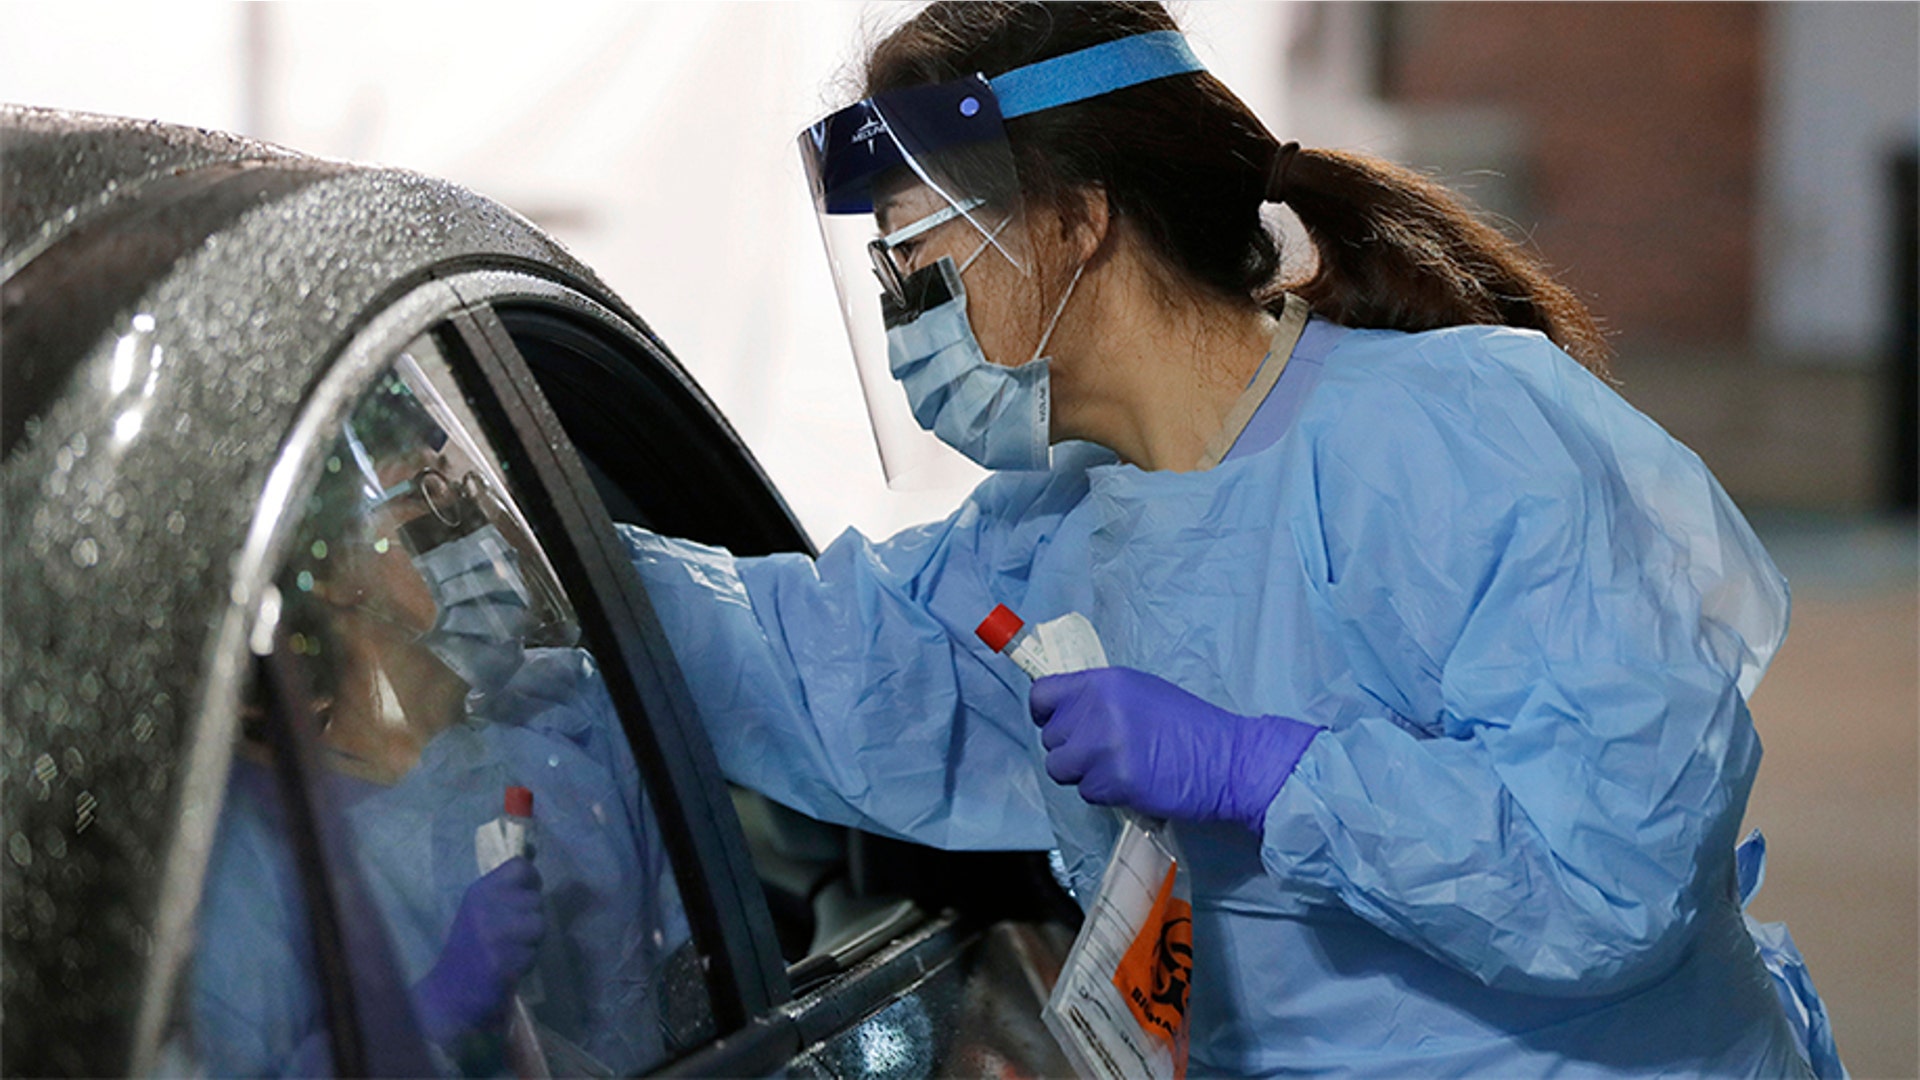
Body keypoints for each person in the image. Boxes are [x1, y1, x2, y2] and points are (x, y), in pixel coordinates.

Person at [626, 2, 1844, 1076]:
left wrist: (1268, 771)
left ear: (1073, 225)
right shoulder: (1052, 535)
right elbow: (812, 666)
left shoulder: (1459, 439)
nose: (906, 318)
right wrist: (491, 560)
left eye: (919, 254)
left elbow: (1614, 874)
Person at [193, 369, 688, 1078]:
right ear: (330, 574)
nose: (479, 547)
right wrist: (429, 1013)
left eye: (465, 505)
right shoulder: (258, 864)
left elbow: (692, 983)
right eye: (430, 517)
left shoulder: (563, 735)